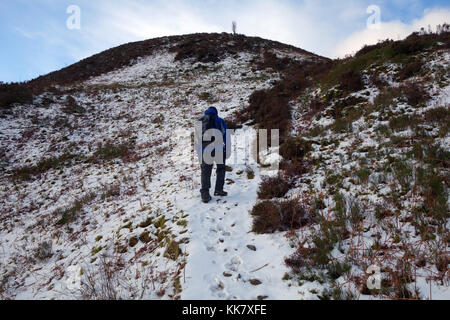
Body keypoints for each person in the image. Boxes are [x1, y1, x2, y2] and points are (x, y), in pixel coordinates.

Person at [197, 107, 231, 203]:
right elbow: (226, 136)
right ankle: (218, 190)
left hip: (205, 151)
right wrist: (227, 150)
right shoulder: (220, 121)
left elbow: (197, 140)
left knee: (205, 172)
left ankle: (205, 194)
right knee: (221, 169)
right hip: (218, 150)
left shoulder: (200, 121)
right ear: (216, 113)